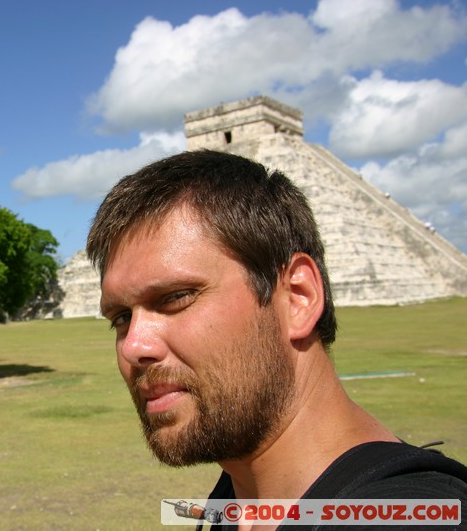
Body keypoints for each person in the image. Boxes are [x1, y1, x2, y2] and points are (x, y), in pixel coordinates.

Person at [86, 150, 467, 529]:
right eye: (121, 318)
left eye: (176, 297)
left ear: (298, 298)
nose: (134, 347)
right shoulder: (239, 502)